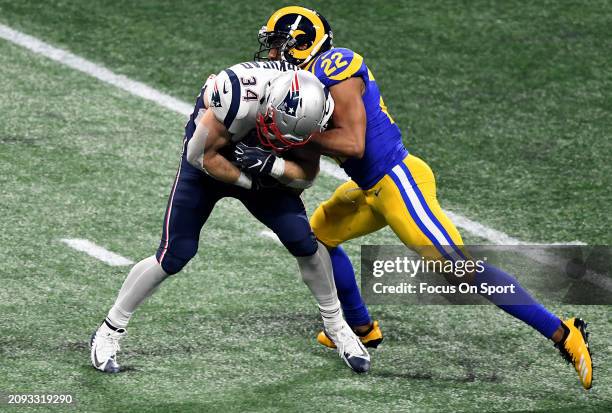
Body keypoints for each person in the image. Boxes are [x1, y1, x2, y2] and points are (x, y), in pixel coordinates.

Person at [238, 6, 592, 389]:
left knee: (460, 269)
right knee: (317, 239)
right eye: (271, 46)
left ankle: (562, 331)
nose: (272, 55)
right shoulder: (303, 80)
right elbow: (311, 162)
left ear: (305, 44)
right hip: (368, 188)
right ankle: (361, 326)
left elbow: (354, 145)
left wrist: (293, 133)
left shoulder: (336, 67)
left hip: (397, 180)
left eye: (279, 47)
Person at [89, 63, 370, 374]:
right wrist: (249, 183)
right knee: (175, 253)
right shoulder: (237, 95)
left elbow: (305, 176)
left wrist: (272, 167)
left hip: (262, 168)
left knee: (303, 241)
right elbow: (199, 155)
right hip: (211, 159)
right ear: (268, 107)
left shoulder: (314, 110)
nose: (281, 140)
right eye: (276, 130)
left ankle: (336, 325)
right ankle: (110, 329)